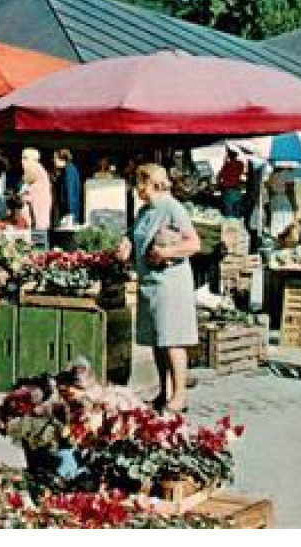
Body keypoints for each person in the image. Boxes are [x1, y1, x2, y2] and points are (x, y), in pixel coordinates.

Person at [118, 164, 201, 414]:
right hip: (150, 284)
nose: (135, 189)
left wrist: (167, 252)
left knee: (173, 340)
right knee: (157, 340)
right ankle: (163, 392)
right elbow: (133, 235)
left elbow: (194, 243)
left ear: (149, 184)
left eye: (138, 183)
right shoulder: (145, 210)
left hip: (171, 284)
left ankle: (179, 397)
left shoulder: (172, 207)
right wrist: (125, 244)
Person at [19, 149, 53, 232]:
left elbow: (27, 192)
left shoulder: (34, 169)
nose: (22, 161)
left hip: (38, 208)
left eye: (25, 158)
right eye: (23, 158)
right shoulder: (39, 169)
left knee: (38, 232)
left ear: (33, 159)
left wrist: (21, 196)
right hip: (38, 209)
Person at [52, 149, 82, 227]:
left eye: (55, 158)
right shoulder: (66, 170)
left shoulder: (70, 171)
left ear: (62, 159)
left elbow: (70, 193)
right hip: (67, 212)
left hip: (69, 213)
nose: (54, 161)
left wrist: (70, 213)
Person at [217, 148, 248, 219]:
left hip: (228, 189)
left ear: (229, 155)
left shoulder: (227, 165)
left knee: (229, 212)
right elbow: (240, 172)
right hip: (237, 189)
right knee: (237, 210)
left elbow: (219, 176)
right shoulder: (240, 164)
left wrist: (225, 162)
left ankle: (231, 227)